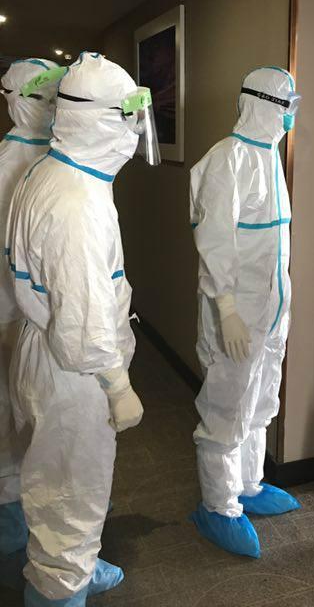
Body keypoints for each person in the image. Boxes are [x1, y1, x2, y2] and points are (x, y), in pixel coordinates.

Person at [6, 51, 159, 606]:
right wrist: (117, 385)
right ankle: (59, 588)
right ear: (102, 121)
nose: (135, 131)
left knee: (54, 478)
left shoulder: (54, 169)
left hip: (43, 351)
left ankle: (73, 564)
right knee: (72, 491)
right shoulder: (78, 204)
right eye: (128, 117)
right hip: (73, 371)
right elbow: (84, 324)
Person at [190, 66, 301, 559]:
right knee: (227, 404)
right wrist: (227, 308)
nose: (291, 115)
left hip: (271, 311)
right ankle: (218, 504)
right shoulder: (227, 159)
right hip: (235, 312)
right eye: (287, 104)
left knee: (260, 397)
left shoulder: (270, 157)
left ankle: (249, 484)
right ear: (261, 104)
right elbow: (215, 242)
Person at [0, 58, 65, 590]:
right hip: (14, 316)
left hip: (43, 321)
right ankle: (18, 525)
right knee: (17, 419)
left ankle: (45, 524)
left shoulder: (58, 161)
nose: (52, 107)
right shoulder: (9, 163)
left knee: (44, 425)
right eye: (42, 97)